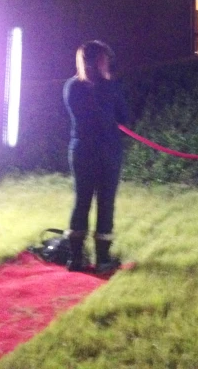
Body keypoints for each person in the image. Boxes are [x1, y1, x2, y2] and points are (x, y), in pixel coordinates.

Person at [63, 40, 128, 273]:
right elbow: (124, 117)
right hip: (107, 151)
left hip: (81, 150)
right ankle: (102, 260)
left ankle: (76, 259)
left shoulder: (71, 86)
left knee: (81, 201)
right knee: (105, 202)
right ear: (100, 60)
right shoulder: (109, 87)